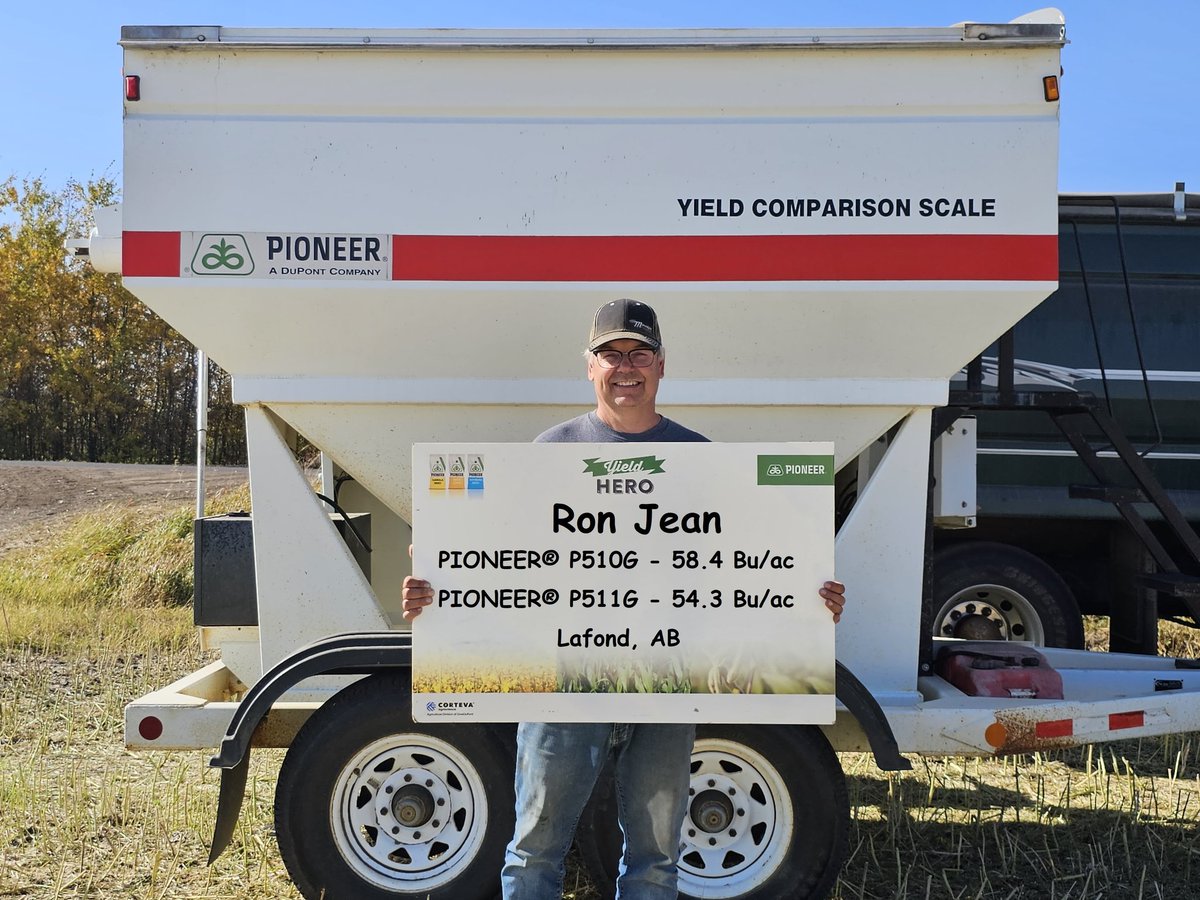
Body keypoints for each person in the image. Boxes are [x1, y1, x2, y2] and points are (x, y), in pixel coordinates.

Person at [402, 299, 847, 899]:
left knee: (656, 859)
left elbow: (744, 562)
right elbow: (496, 556)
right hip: (562, 686)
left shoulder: (703, 459)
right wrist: (436, 589)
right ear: (590, 366)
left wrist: (807, 604)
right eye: (610, 354)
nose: (626, 367)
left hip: (668, 685)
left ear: (662, 364)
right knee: (533, 851)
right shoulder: (547, 452)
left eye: (639, 353)